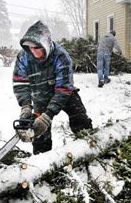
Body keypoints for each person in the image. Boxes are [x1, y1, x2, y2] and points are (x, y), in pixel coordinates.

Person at [13, 20, 93, 154]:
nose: (33, 51)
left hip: (65, 94)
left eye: (37, 47)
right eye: (30, 48)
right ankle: (43, 162)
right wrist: (26, 106)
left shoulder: (60, 56)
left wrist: (48, 115)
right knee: (39, 134)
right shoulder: (24, 57)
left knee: (80, 118)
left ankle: (89, 145)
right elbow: (20, 83)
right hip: (40, 97)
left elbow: (63, 88)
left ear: (45, 45)